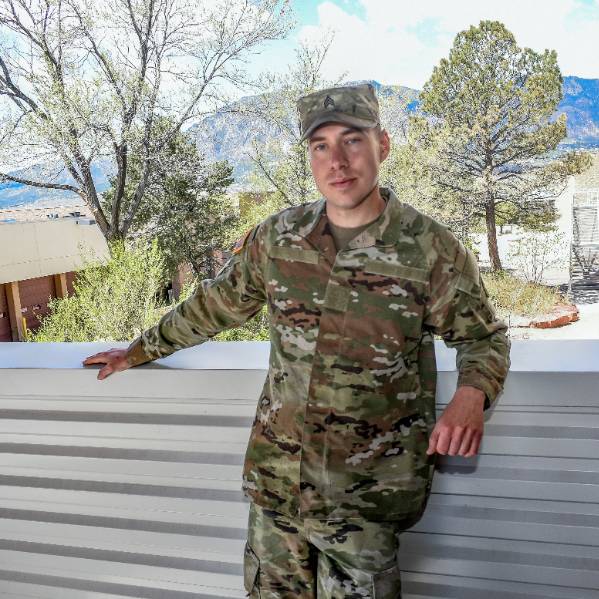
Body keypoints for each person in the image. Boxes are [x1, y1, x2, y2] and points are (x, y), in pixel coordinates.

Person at [83, 83, 510, 598]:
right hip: (278, 488)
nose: (338, 161)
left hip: (367, 496)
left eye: (353, 141)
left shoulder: (431, 250)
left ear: (384, 145)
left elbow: (483, 338)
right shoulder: (278, 239)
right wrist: (139, 350)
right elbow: (214, 305)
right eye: (321, 146)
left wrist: (471, 396)